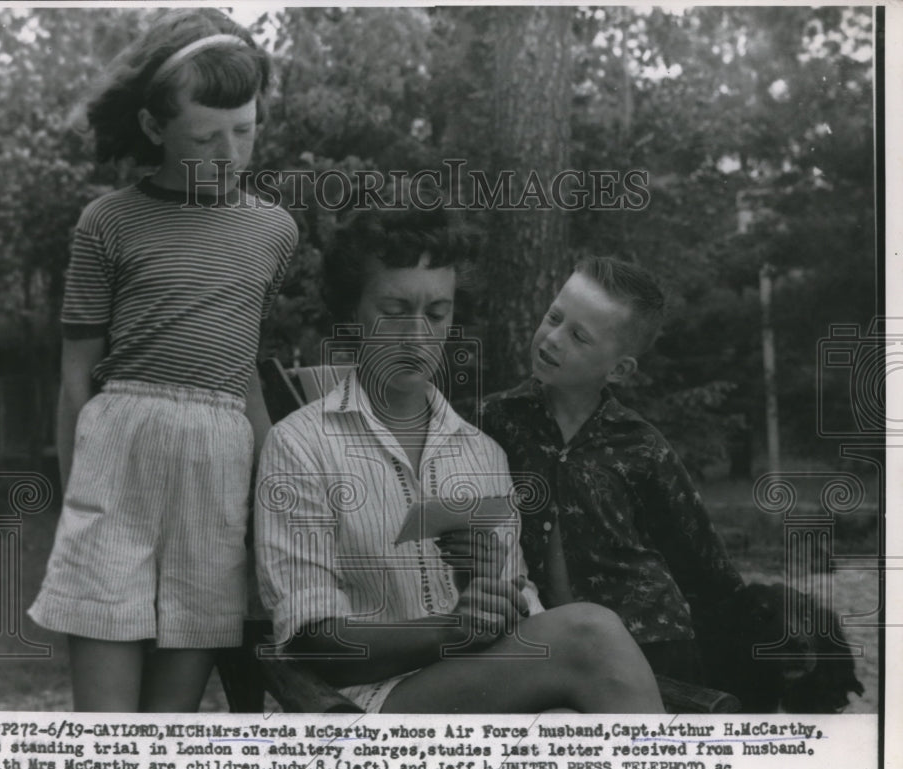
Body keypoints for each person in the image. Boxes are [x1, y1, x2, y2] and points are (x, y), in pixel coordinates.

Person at [254, 203, 664, 714]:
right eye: (394, 309)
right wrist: (449, 630)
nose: (417, 335)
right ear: (350, 313)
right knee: (590, 633)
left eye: (436, 313)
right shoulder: (301, 445)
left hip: (475, 689)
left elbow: (517, 612)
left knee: (572, 725)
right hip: (358, 706)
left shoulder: (480, 453)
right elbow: (313, 641)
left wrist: (495, 606)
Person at [28, 9, 298, 712]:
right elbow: (76, 373)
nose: (229, 154)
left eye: (245, 130)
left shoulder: (274, 230)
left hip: (219, 463)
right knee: (107, 728)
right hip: (118, 453)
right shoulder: (108, 222)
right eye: (205, 137)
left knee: (168, 725)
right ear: (154, 129)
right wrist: (72, 498)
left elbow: (239, 369)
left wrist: (280, 496)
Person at [481, 256, 744, 682]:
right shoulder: (492, 421)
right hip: (543, 642)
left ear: (619, 369)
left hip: (650, 644)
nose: (553, 338)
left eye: (579, 336)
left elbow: (706, 567)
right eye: (554, 317)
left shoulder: (640, 447)